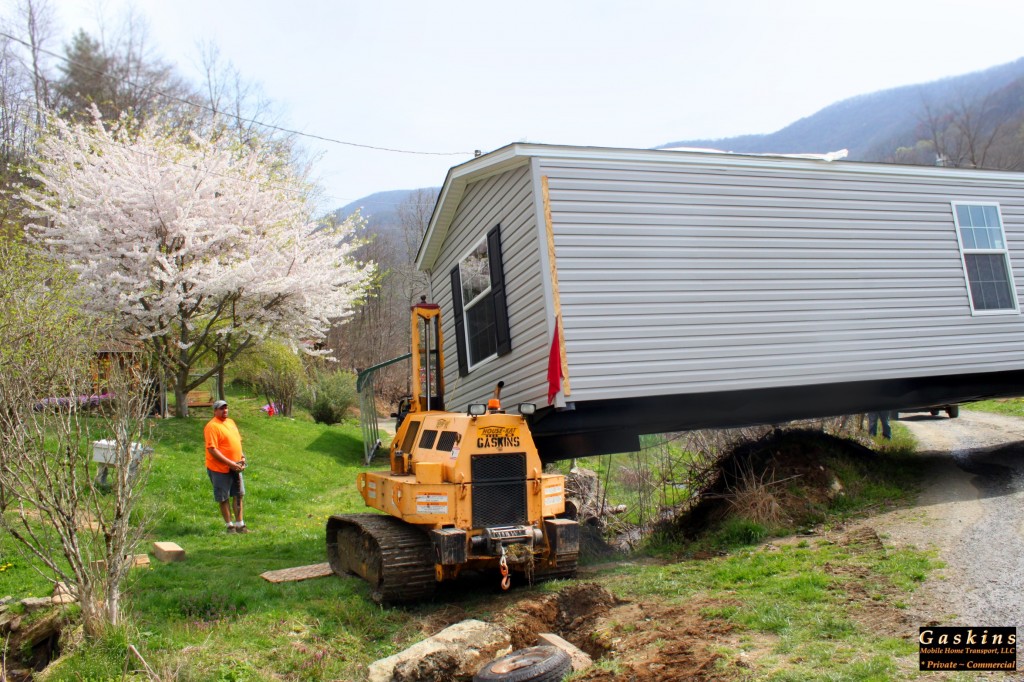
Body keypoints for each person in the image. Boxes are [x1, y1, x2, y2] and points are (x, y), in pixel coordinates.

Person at [204, 400, 250, 533]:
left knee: (238, 495)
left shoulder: (231, 422)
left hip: (235, 466)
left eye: (226, 408)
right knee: (223, 497)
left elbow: (237, 442)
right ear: (215, 411)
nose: (225, 411)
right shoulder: (212, 426)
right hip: (219, 468)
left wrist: (242, 458)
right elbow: (212, 449)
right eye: (221, 409)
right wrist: (230, 463)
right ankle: (230, 526)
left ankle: (240, 525)